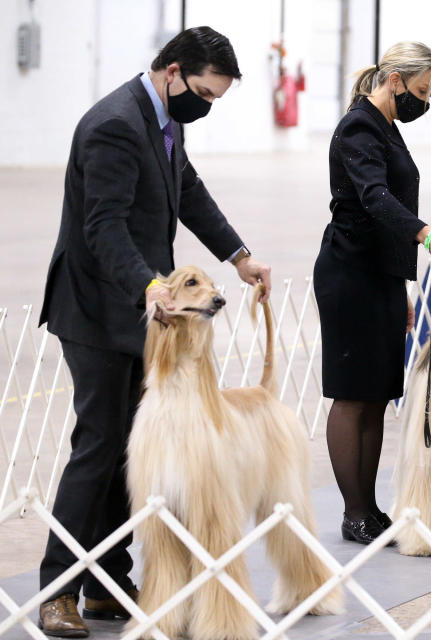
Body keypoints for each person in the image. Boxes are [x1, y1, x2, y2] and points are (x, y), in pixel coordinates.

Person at [36, 27, 271, 637]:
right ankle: (58, 588)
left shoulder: (166, 118)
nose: (206, 105)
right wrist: (150, 289)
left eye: (215, 98)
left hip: (145, 309)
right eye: (203, 93)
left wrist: (238, 255)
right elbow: (104, 227)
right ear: (171, 72)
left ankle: (107, 582)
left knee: (131, 449)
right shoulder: (115, 124)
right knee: (99, 443)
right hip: (96, 307)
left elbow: (188, 192)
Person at [315, 42, 431, 545]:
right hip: (347, 271)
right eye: (421, 90)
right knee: (352, 395)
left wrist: (401, 286)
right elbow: (376, 198)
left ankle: (371, 508)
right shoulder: (358, 126)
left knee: (377, 393)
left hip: (378, 274)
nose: (424, 101)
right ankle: (354, 511)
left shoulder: (386, 127)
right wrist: (425, 234)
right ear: (395, 80)